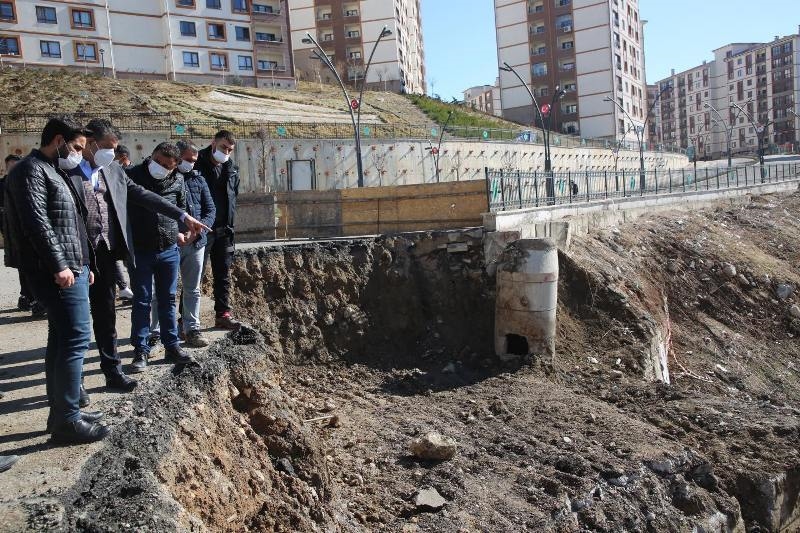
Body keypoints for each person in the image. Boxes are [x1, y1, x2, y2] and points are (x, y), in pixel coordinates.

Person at [67, 119, 210, 393]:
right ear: (90, 142)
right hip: (97, 254)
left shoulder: (111, 171)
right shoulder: (70, 171)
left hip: (134, 250)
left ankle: (149, 355)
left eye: (114, 148)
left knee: (121, 311)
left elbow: (147, 197)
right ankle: (128, 356)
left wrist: (183, 217)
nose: (111, 152)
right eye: (107, 147)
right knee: (85, 320)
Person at [3, 117, 108, 444]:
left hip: (71, 267)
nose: (80, 153)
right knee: (76, 337)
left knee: (61, 338)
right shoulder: (29, 171)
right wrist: (61, 265)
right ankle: (66, 420)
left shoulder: (53, 171)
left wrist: (84, 262)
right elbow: (37, 223)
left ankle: (65, 410)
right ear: (59, 140)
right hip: (54, 271)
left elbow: (71, 223)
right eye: (77, 147)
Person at [126, 143, 196, 373]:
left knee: (168, 298)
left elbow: (182, 208)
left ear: (175, 167)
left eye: (167, 166)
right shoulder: (132, 176)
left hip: (168, 249)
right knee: (142, 300)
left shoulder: (177, 181)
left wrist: (183, 232)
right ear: (151, 155)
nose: (161, 167)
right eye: (158, 161)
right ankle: (141, 349)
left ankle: (172, 346)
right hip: (140, 249)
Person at [150, 140, 216, 348]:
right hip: (168, 242)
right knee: (160, 291)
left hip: (196, 243)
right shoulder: (163, 179)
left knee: (192, 289)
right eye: (187, 160)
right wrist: (176, 234)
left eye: (194, 161)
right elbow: (159, 210)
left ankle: (191, 328)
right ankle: (155, 332)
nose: (191, 164)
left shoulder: (198, 180)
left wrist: (197, 229)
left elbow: (210, 209)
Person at [195, 131, 241, 330]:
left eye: (230, 150)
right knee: (195, 276)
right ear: (213, 143)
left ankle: (222, 314)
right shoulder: (196, 166)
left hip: (224, 230)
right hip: (203, 229)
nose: (226, 152)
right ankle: (186, 319)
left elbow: (233, 198)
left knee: (223, 274)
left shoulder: (231, 169)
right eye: (223, 147)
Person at [1, 154, 45, 317]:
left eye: (16, 165)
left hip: (32, 233)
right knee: (23, 267)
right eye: (10, 166)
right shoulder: (3, 185)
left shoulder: (30, 182)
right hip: (13, 234)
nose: (13, 169)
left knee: (35, 266)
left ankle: (36, 298)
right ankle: (28, 296)